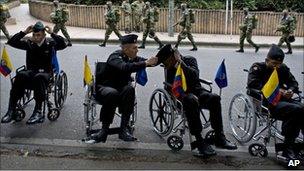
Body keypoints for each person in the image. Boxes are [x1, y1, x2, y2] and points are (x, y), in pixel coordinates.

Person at [156, 44, 237, 157]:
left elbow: (194, 76)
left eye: (166, 60)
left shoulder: (190, 60)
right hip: (181, 95)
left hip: (197, 91)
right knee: (191, 100)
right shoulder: (168, 68)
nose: (165, 64)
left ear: (174, 56)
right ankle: (199, 140)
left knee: (214, 98)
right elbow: (170, 86)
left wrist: (180, 63)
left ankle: (219, 136)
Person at [89, 34, 158, 143]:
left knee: (130, 89)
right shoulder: (115, 57)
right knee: (112, 93)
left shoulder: (132, 57)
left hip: (121, 90)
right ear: (125, 48)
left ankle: (123, 130)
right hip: (105, 88)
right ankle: (104, 130)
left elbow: (150, 62)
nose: (137, 50)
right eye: (134, 48)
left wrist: (161, 58)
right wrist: (145, 63)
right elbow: (124, 67)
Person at [1, 21, 67, 124]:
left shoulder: (50, 44)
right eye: (34, 35)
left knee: (39, 77)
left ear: (44, 35)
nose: (36, 37)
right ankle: (11, 110)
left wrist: (53, 34)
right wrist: (24, 32)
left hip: (45, 73)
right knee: (21, 74)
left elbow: (64, 44)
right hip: (31, 72)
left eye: (38, 35)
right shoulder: (29, 43)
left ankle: (38, 112)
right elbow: (12, 42)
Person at [247, 44, 304, 160]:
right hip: (267, 102)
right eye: (273, 63)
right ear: (267, 60)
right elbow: (252, 85)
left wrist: (290, 90)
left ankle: (298, 145)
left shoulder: (282, 68)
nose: (276, 67)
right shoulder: (257, 68)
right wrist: (278, 91)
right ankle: (287, 149)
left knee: (302, 108)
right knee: (296, 110)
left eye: (278, 64)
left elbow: (293, 83)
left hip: (284, 101)